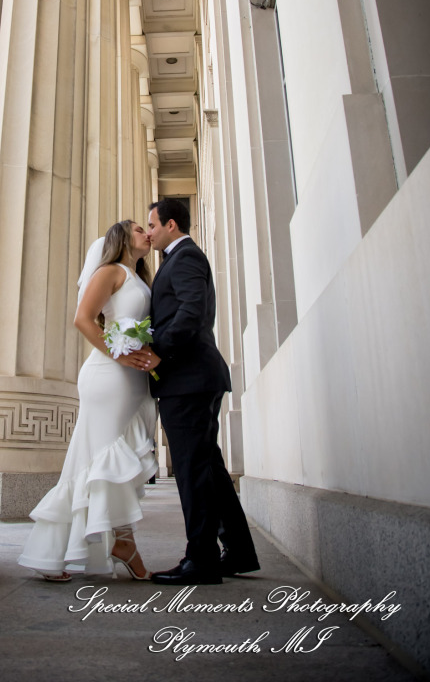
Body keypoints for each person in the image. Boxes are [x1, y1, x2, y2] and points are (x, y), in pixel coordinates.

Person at [18, 220, 158, 581]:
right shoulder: (110, 271)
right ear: (122, 239)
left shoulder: (139, 276)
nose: (146, 232)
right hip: (108, 375)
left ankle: (124, 540)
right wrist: (119, 352)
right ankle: (54, 552)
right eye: (139, 228)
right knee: (95, 458)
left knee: (116, 458)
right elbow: (82, 319)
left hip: (133, 379)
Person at [144, 198, 260, 585]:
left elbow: (192, 313)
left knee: (193, 472)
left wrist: (157, 349)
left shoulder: (186, 257)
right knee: (208, 468)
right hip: (195, 378)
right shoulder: (179, 258)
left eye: (153, 225)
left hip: (188, 379)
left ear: (172, 225)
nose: (149, 232)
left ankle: (202, 558)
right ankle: (239, 551)